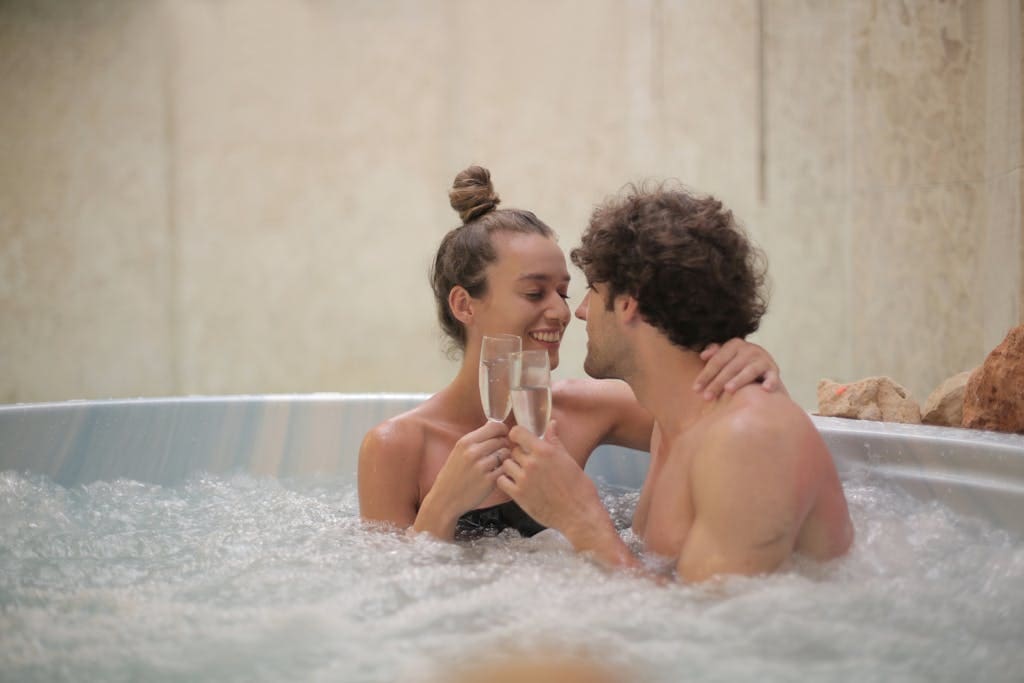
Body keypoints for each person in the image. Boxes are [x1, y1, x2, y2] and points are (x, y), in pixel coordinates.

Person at [358, 166, 784, 541]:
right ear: (464, 305)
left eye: (563, 292)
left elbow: (726, 426)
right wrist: (442, 507)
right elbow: (389, 594)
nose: (562, 312)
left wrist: (751, 366)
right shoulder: (397, 447)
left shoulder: (585, 409)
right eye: (534, 292)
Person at [497, 182, 854, 580]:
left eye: (593, 292)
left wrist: (581, 521)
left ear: (628, 305)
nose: (580, 312)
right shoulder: (673, 420)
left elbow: (717, 616)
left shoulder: (747, 438)